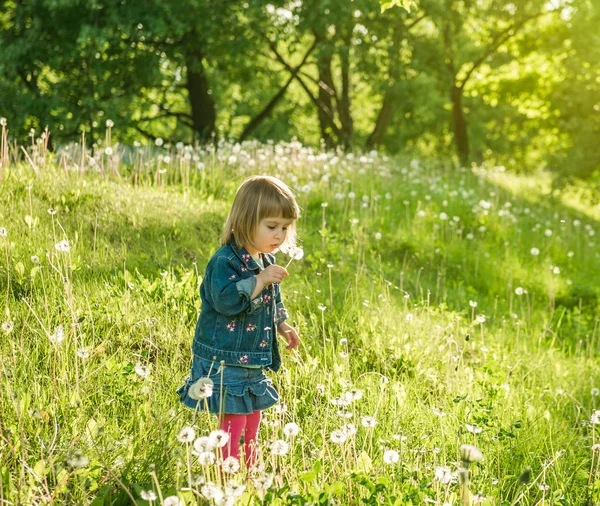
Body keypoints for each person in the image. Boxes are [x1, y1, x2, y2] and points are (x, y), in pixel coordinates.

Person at [177, 175, 301, 469]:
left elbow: (273, 302)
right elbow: (226, 302)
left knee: (253, 413)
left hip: (252, 358)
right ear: (245, 221)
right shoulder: (225, 262)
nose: (279, 235)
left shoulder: (266, 261)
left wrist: (283, 326)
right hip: (224, 358)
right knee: (233, 416)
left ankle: (248, 464)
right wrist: (258, 280)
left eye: (284, 228)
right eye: (272, 226)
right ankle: (227, 467)